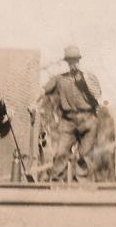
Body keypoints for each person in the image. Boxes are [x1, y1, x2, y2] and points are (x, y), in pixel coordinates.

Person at [43, 45, 102, 182]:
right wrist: (33, 102)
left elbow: (98, 94)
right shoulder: (59, 79)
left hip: (88, 118)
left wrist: (85, 78)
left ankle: (81, 183)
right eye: (70, 61)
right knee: (61, 153)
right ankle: (56, 183)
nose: (73, 64)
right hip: (68, 120)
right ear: (66, 62)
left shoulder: (88, 76)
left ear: (79, 61)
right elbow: (43, 89)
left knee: (85, 155)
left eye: (75, 60)